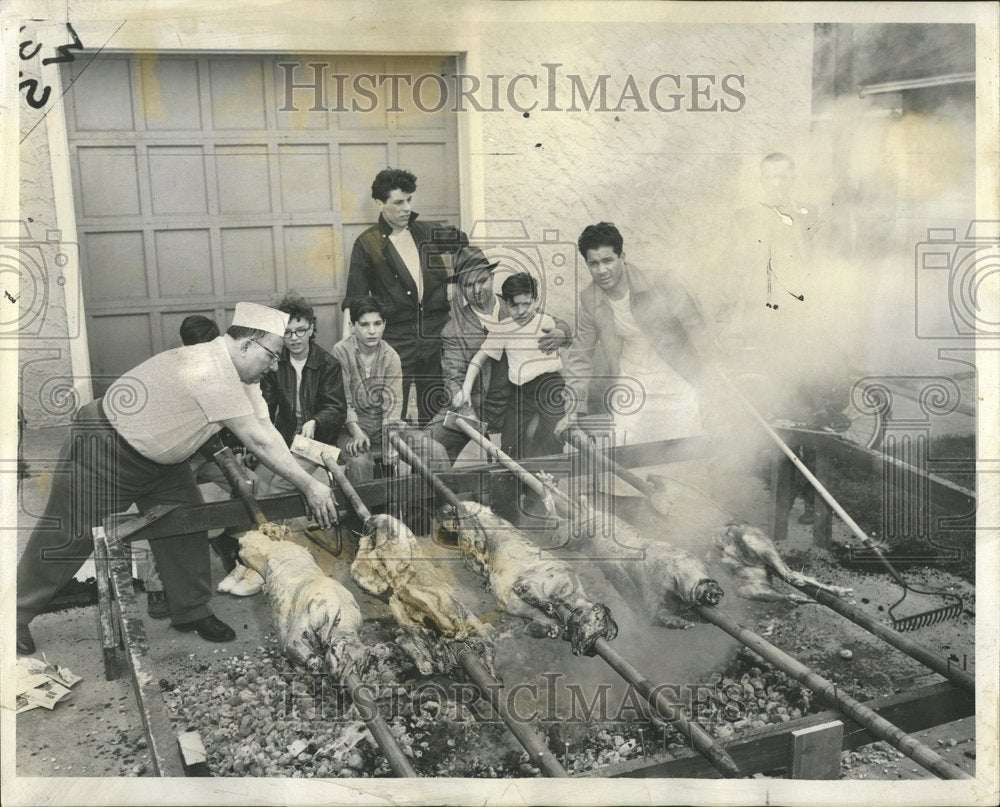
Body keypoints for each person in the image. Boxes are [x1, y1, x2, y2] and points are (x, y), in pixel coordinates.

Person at [15, 303, 339, 655]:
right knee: (67, 535)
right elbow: (258, 441)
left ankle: (191, 611)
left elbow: (267, 430)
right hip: (106, 448)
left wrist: (307, 478)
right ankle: (14, 614)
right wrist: (309, 485)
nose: (275, 365)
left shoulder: (242, 375)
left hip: (163, 462)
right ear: (246, 345)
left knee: (187, 525)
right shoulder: (210, 369)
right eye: (272, 356)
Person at [558, 222, 719, 445]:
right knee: (626, 452)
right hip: (631, 385)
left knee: (682, 454)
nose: (601, 270)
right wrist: (573, 408)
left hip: (676, 379)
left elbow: (696, 328)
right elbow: (581, 356)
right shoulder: (590, 299)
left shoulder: (661, 281)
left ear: (622, 256)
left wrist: (714, 378)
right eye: (593, 263)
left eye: (608, 260)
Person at [343, 168, 468, 425]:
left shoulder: (427, 232)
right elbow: (355, 300)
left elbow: (463, 242)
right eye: (398, 202)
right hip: (397, 339)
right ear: (379, 203)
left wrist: (457, 281)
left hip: (435, 334)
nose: (406, 208)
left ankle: (430, 463)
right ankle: (390, 464)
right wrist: (346, 350)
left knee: (434, 410)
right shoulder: (367, 244)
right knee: (390, 412)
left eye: (409, 200)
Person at [426, 246, 572, 464]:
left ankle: (537, 492)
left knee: (543, 441)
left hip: (520, 401)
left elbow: (549, 321)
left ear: (492, 277)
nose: (477, 290)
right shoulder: (453, 330)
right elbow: (453, 380)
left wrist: (562, 333)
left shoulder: (513, 303)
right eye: (468, 284)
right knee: (428, 446)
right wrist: (470, 417)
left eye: (482, 281)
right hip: (476, 407)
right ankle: (444, 497)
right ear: (460, 289)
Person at [454, 272, 565, 459]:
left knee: (550, 439)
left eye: (526, 304)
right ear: (506, 303)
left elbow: (563, 354)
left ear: (536, 300)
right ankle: (513, 484)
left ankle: (546, 483)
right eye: (514, 305)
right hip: (521, 392)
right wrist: (465, 389)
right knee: (510, 444)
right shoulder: (503, 328)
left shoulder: (546, 322)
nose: (521, 311)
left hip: (549, 387)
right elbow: (478, 359)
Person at [259, 292, 347, 486]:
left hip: (317, 442)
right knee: (257, 483)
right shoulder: (275, 364)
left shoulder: (328, 364)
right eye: (287, 332)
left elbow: (337, 409)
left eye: (300, 330)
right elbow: (264, 406)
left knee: (279, 486)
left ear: (311, 329)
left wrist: (316, 421)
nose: (294, 338)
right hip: (285, 439)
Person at [331, 295, 405, 484]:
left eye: (377, 323)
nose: (372, 331)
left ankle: (429, 510)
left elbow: (393, 406)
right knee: (360, 462)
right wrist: (357, 433)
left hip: (384, 425)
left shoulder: (391, 356)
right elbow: (343, 402)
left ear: (385, 324)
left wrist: (391, 441)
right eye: (364, 325)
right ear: (352, 325)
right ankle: (362, 514)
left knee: (432, 450)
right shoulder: (341, 352)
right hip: (349, 427)